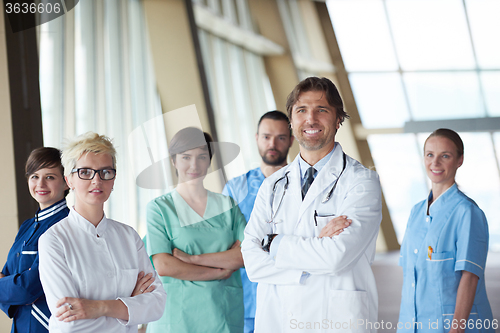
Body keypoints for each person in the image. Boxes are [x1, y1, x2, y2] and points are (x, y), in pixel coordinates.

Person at [241, 76, 382, 333]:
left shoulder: (362, 181)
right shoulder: (272, 186)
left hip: (336, 320)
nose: (311, 119)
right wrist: (317, 246)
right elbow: (252, 262)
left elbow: (336, 256)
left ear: (338, 119)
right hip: (279, 319)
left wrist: (273, 243)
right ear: (292, 121)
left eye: (322, 110)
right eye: (301, 110)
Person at [38, 132, 166, 333]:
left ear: (113, 179)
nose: (97, 180)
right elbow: (70, 322)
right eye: (85, 172)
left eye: (105, 172)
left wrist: (99, 307)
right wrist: (130, 305)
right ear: (68, 180)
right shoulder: (53, 240)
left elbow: (157, 304)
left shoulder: (129, 236)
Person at [146, 127, 246, 333]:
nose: (194, 165)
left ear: (209, 161)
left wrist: (193, 260)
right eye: (185, 157)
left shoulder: (228, 206)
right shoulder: (159, 208)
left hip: (223, 315)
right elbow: (164, 265)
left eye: (202, 156)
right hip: (177, 319)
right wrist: (220, 271)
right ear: (173, 161)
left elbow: (246, 255)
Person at [398, 129, 494, 333]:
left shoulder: (467, 213)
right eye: (430, 155)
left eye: (445, 156)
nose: (435, 163)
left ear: (460, 160)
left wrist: (456, 330)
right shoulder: (416, 212)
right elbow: (411, 276)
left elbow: (470, 276)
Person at [222, 110, 293, 333]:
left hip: (293, 290)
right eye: (266, 136)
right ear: (256, 138)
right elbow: (226, 244)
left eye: (281, 137)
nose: (272, 143)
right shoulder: (236, 188)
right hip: (247, 299)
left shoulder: (304, 185)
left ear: (291, 140)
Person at [0, 147, 70, 333]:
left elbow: (30, 287)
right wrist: (14, 291)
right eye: (34, 176)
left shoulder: (66, 225)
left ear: (67, 182)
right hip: (19, 325)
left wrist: (16, 290)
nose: (40, 184)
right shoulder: (27, 226)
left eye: (50, 177)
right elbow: (7, 275)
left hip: (46, 326)